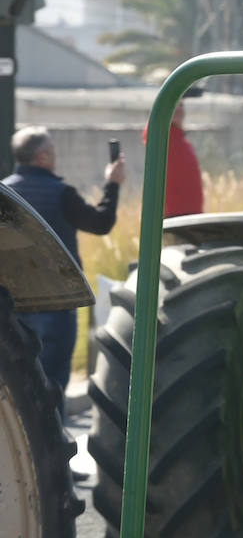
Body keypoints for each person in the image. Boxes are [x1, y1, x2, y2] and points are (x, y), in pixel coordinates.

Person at [4, 125, 124, 406]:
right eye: (53, 150)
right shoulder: (61, 193)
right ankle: (52, 447)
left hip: (10, 308)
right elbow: (100, 223)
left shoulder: (5, 193)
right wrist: (113, 184)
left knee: (12, 392)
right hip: (56, 305)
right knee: (53, 386)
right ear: (43, 156)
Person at [142, 98, 203, 217]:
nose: (179, 109)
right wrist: (164, 106)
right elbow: (150, 131)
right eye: (174, 105)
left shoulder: (185, 143)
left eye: (181, 106)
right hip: (173, 214)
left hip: (194, 213)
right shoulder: (163, 137)